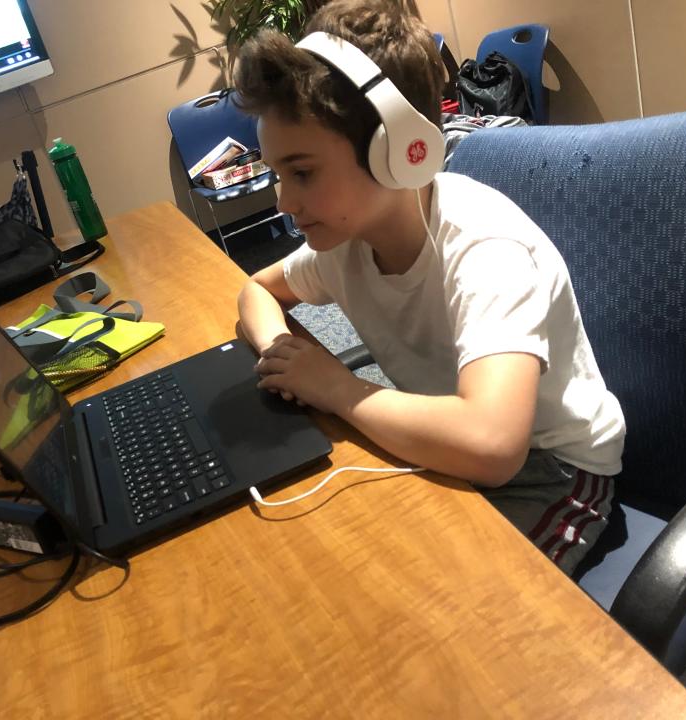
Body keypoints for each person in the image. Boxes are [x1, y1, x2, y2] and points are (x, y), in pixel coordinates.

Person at [233, 0, 626, 576]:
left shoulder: (485, 249)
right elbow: (257, 291)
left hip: (552, 471)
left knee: (443, 616)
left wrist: (338, 389)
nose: (284, 202)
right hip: (450, 440)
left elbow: (493, 445)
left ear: (396, 152)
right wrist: (279, 352)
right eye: (277, 175)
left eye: (303, 172)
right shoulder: (344, 240)